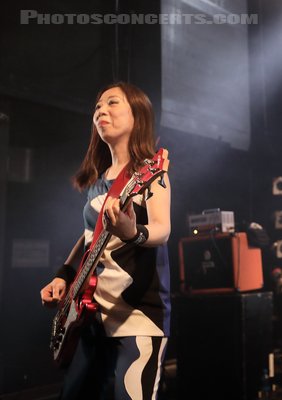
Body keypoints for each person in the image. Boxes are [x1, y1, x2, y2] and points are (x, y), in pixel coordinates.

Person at [39, 82, 171, 400]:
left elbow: (162, 229)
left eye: (112, 103)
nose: (101, 110)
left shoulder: (150, 172)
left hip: (137, 315)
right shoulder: (99, 181)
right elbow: (89, 237)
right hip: (90, 318)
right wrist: (64, 273)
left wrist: (131, 232)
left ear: (138, 115)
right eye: (98, 106)